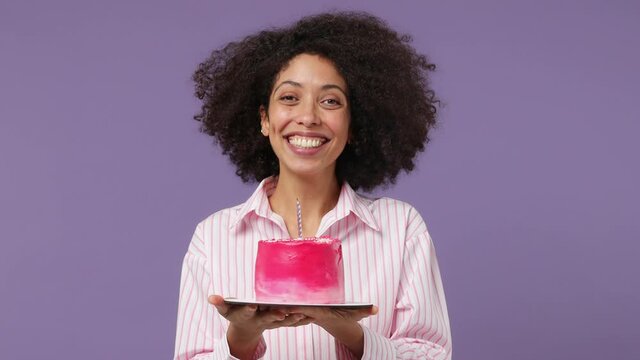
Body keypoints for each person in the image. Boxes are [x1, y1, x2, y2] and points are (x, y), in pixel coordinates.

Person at [174, 11, 451, 360]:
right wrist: (241, 338)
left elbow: (431, 354)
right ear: (264, 119)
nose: (308, 117)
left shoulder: (402, 228)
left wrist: (347, 330)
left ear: (354, 124)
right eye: (289, 98)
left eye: (330, 101)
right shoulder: (213, 238)